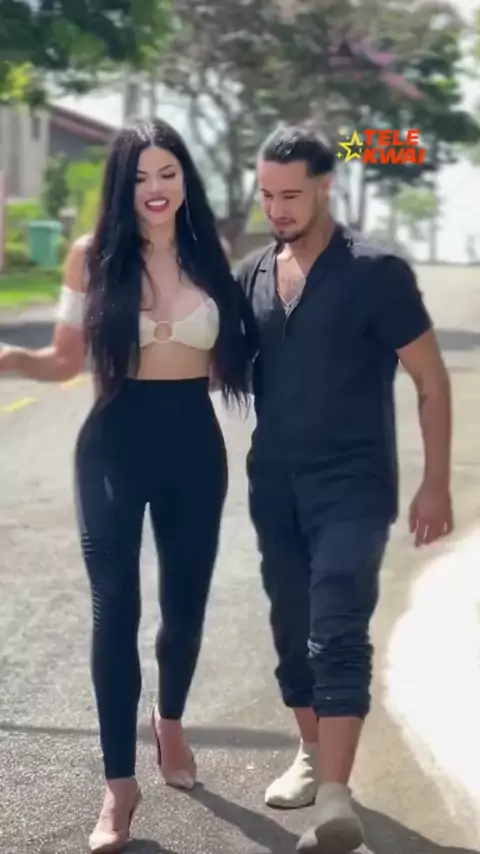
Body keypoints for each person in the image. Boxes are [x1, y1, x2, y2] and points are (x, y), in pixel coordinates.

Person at [0, 118, 256, 854]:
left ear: (185, 180)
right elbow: (62, 361)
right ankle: (119, 786)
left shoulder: (210, 257)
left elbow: (240, 360)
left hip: (194, 448)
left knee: (185, 607)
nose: (155, 188)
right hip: (112, 445)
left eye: (167, 173)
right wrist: (10, 357)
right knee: (115, 607)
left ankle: (168, 720)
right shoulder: (92, 258)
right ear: (123, 185)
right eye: (140, 176)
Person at [235, 126, 453, 854]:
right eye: (267, 195)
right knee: (289, 631)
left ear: (326, 186)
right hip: (274, 484)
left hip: (354, 485)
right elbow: (209, 357)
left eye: (291, 195)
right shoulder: (253, 274)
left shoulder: (376, 272)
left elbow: (430, 380)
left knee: (336, 627)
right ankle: (311, 752)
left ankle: (335, 797)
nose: (277, 209)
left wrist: (435, 485)